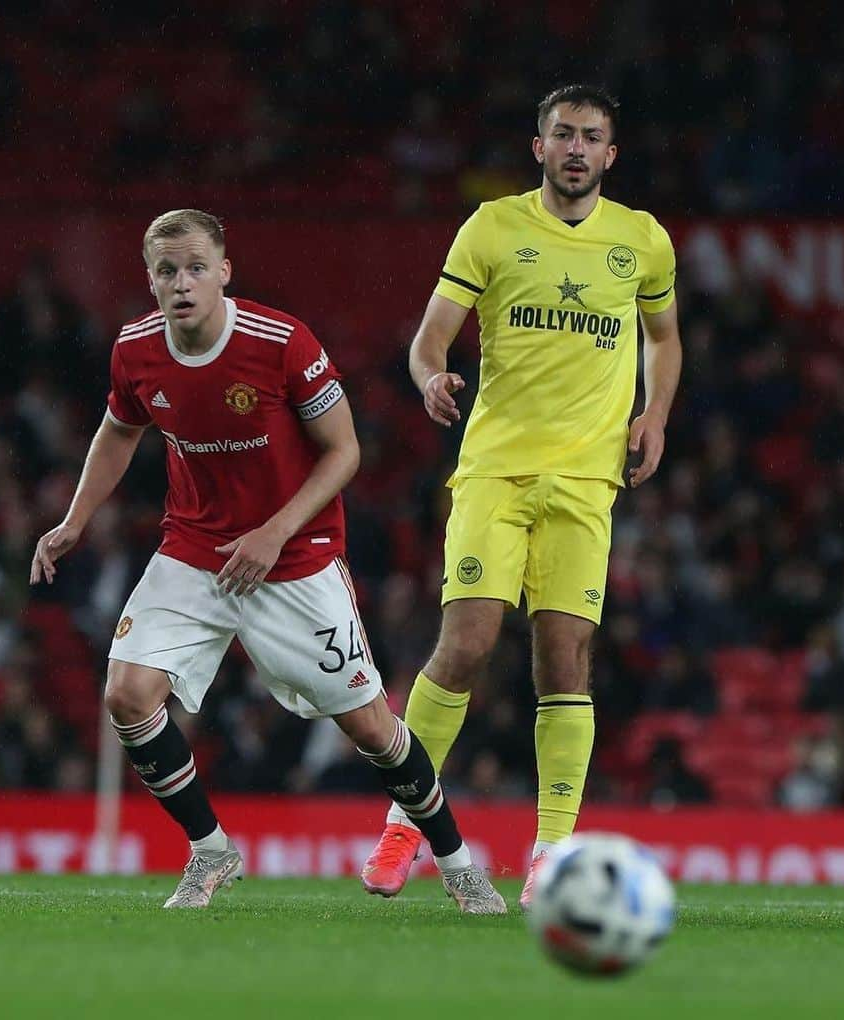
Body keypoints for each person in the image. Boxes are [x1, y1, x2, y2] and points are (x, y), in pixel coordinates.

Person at [29, 209, 504, 914]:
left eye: (196, 268)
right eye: (167, 271)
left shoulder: (279, 341)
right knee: (127, 696)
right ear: (150, 281)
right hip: (194, 549)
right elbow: (119, 430)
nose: (182, 283)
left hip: (295, 557)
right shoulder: (134, 348)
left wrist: (275, 533)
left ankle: (459, 862)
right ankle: (211, 851)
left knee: (372, 728)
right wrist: (75, 519)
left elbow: (345, 451)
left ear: (224, 271)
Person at [361, 84, 682, 908]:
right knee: (464, 645)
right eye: (563, 134)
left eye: (592, 138)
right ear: (538, 146)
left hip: (585, 481)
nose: (577, 148)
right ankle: (404, 826)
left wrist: (655, 413)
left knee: (564, 662)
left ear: (612, 155)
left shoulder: (642, 241)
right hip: (495, 471)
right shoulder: (493, 227)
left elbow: (664, 337)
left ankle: (553, 853)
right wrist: (431, 375)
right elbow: (430, 335)